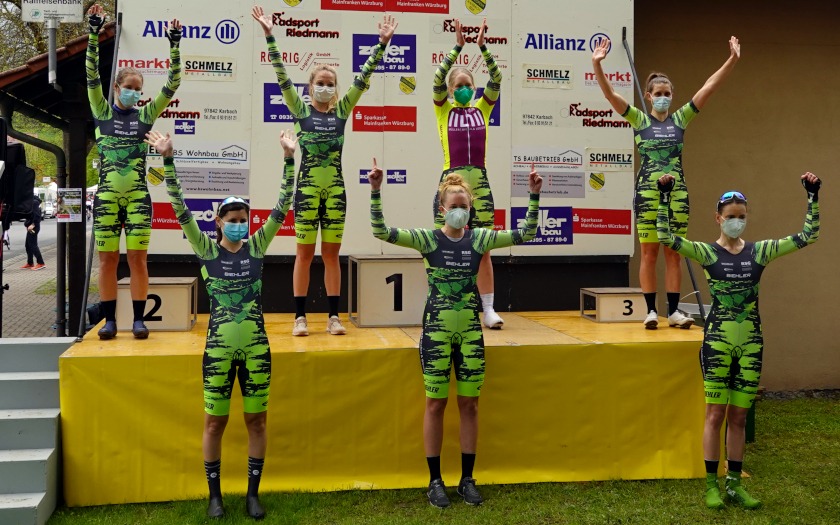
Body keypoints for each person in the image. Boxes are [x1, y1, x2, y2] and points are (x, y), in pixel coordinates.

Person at [369, 159, 542, 507]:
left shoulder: (479, 239)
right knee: (435, 404)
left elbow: (525, 234)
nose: (459, 212)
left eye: (464, 207)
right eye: (453, 207)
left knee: (470, 405)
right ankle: (434, 481)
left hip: (471, 334)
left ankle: (467, 479)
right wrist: (375, 191)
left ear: (471, 209)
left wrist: (534, 195)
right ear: (442, 208)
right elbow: (382, 231)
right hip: (435, 331)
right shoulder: (428, 239)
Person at [147, 129, 297, 519]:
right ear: (218, 222)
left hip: (257, 351)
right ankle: (214, 495)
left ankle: (252, 494)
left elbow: (283, 206)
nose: (239, 225)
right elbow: (179, 208)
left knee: (256, 420)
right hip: (216, 351)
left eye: (243, 219)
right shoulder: (206, 248)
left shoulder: (257, 246)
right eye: (232, 219)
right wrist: (167, 158)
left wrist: (288, 158)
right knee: (214, 422)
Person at [656, 172, 821, 509]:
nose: (736, 222)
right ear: (718, 218)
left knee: (740, 416)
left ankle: (735, 485)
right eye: (730, 217)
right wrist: (663, 196)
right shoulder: (705, 252)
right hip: (716, 342)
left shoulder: (760, 252)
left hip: (751, 343)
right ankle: (711, 486)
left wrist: (813, 195)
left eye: (741, 217)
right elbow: (665, 237)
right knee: (714, 413)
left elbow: (809, 235)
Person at [253, 5, 397, 337]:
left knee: (332, 256)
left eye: (331, 83)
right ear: (310, 86)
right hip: (305, 192)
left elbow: (363, 79)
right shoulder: (300, 110)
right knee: (303, 255)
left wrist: (382, 45)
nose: (326, 87)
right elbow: (280, 75)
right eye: (320, 82)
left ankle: (334, 317)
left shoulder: (342, 110)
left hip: (336, 192)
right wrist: (270, 35)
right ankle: (300, 318)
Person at [592, 36, 740, 329]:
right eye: (658, 93)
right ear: (648, 96)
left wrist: (732, 59)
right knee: (649, 253)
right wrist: (597, 64)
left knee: (675, 253)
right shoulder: (638, 120)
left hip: (678, 196)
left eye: (667, 93)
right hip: (647, 195)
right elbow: (610, 96)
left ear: (672, 96)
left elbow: (709, 87)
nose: (663, 97)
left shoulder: (680, 120)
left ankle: (672, 313)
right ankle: (650, 311)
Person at [86, 3, 183, 340]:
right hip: (107, 200)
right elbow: (91, 76)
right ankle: (110, 320)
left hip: (140, 198)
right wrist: (93, 35)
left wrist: (174, 43)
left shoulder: (144, 117)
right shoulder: (101, 111)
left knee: (139, 261)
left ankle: (139, 320)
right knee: (108, 261)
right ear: (116, 88)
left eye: (139, 89)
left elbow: (173, 84)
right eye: (130, 87)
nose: (135, 93)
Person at [433, 18, 504, 329]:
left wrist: (483, 47)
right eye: (457, 86)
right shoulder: (442, 110)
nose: (463, 89)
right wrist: (458, 47)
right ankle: (443, 305)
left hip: (480, 185)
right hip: (450, 183)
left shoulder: (482, 109)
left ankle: (487, 309)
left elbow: (498, 78)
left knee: (484, 247)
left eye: (467, 85)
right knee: (446, 246)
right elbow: (436, 78)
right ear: (450, 91)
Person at [22, 195, 46, 270]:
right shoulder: (31, 203)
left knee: (33, 245)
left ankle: (41, 263)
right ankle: (30, 263)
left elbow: (37, 216)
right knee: (28, 245)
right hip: (31, 226)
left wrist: (33, 224)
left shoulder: (34, 203)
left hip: (34, 227)